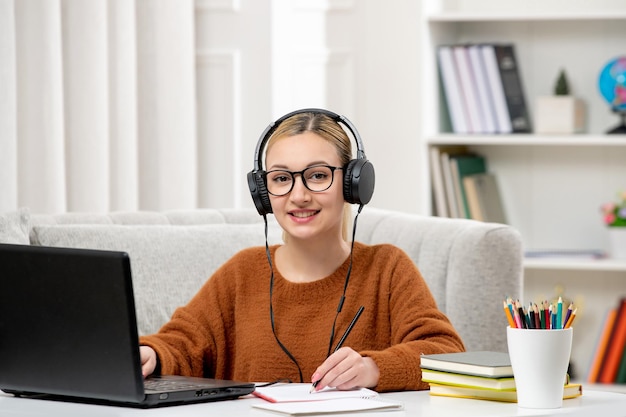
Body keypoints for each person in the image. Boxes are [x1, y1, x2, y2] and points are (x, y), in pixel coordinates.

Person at [139, 109, 465, 392]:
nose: (299, 195)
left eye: (318, 175)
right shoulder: (242, 272)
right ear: (263, 193)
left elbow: (447, 352)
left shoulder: (387, 268)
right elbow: (183, 343)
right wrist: (152, 354)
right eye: (281, 179)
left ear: (353, 184)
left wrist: (374, 368)